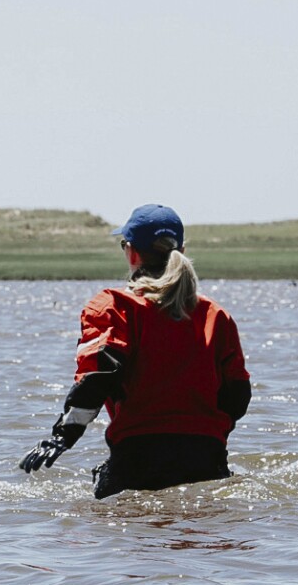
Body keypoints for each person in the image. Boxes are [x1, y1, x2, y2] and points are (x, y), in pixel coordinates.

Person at [19, 204, 251, 498]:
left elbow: (98, 378)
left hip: (137, 460)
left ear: (131, 253)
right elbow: (238, 397)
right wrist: (203, 435)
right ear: (182, 249)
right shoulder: (216, 316)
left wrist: (60, 438)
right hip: (207, 459)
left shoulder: (114, 307)